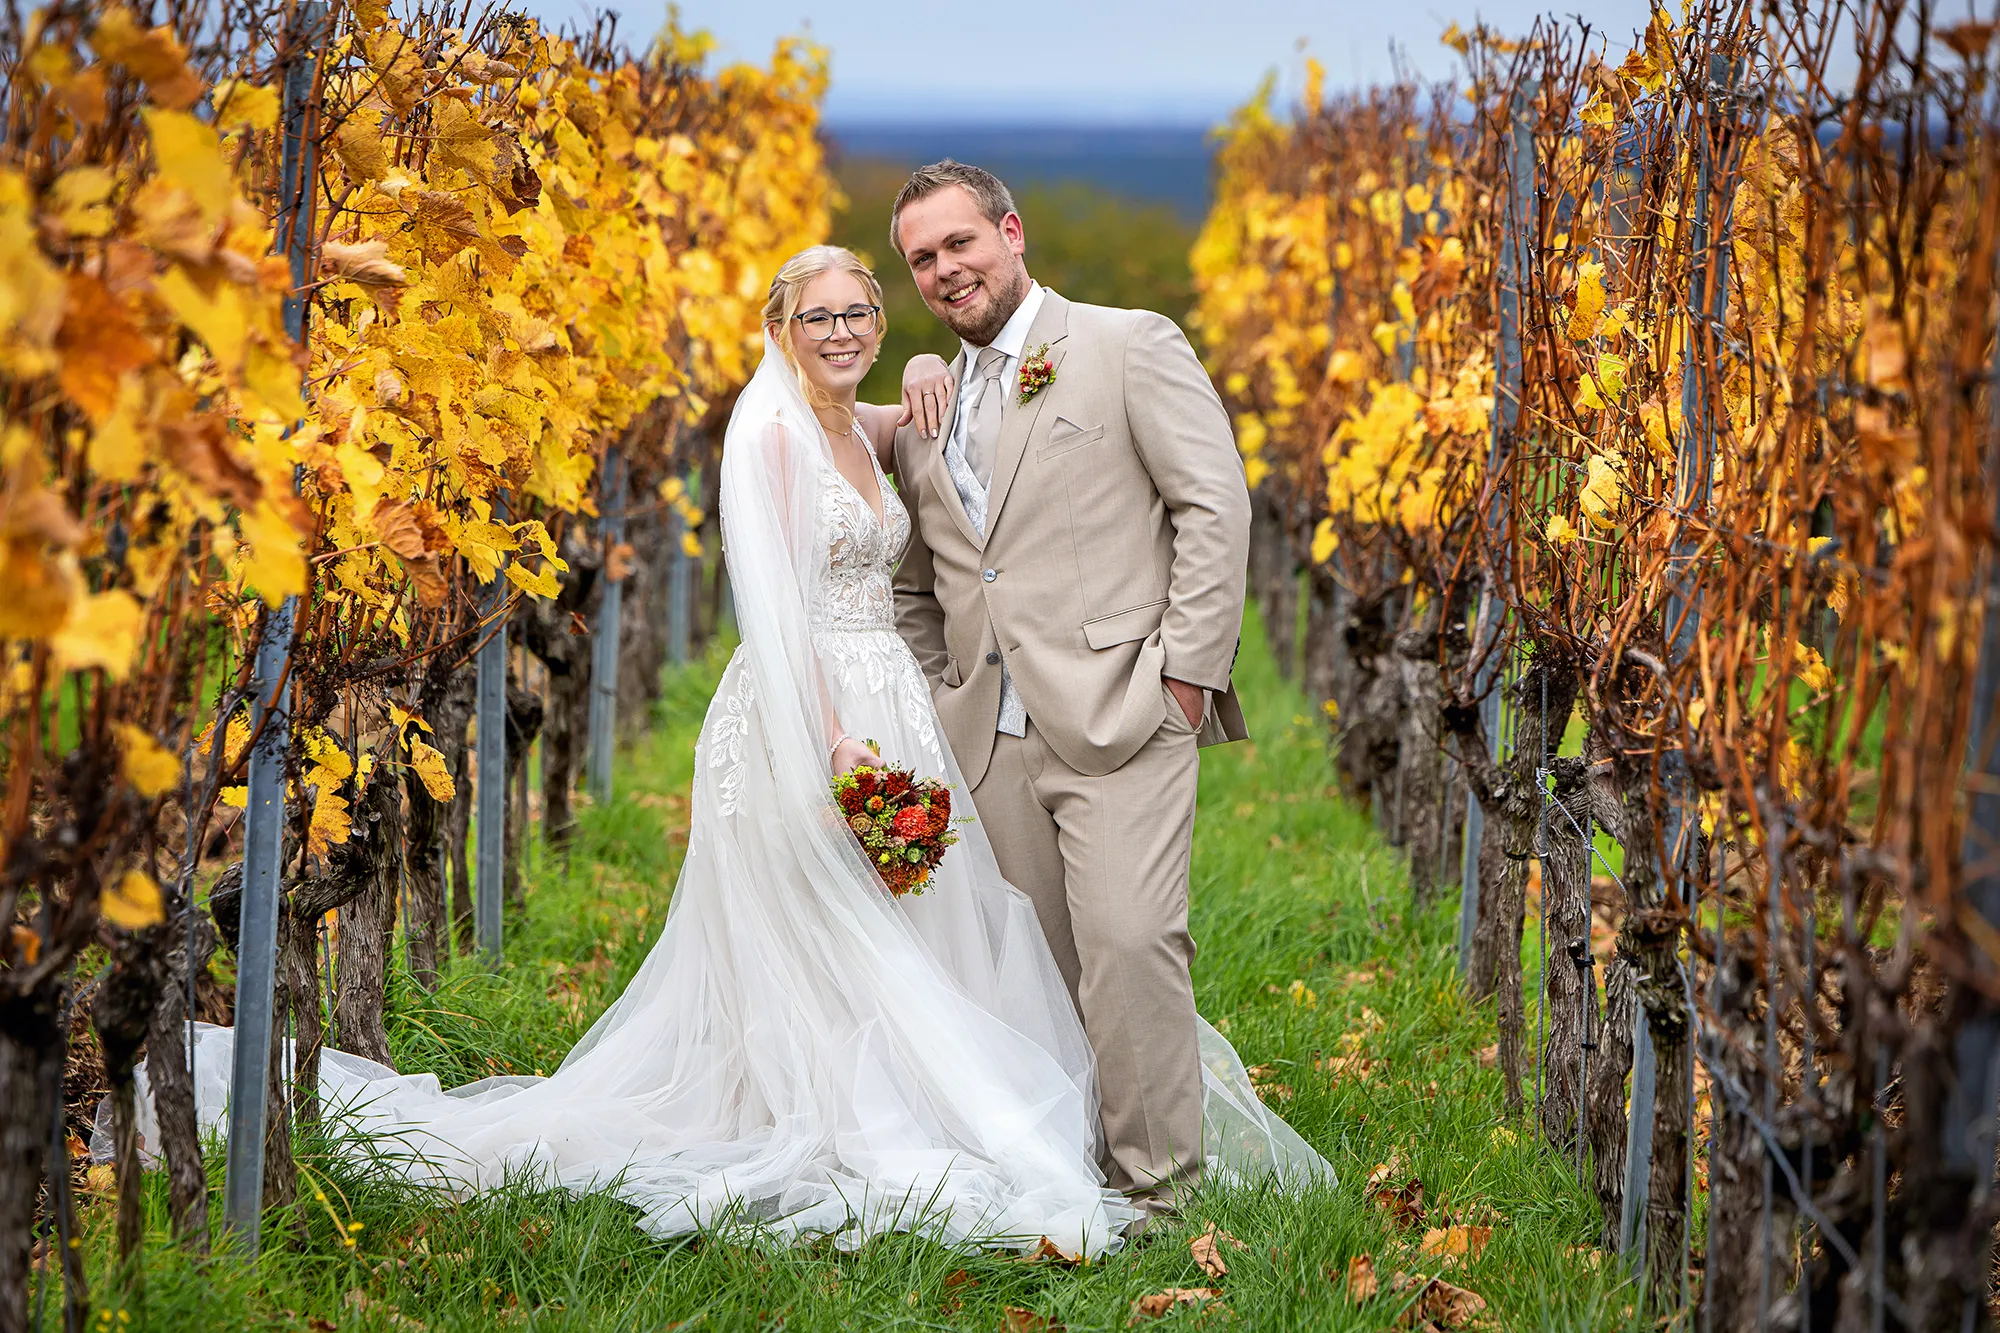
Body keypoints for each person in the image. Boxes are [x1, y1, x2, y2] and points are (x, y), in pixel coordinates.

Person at [115, 245, 1323, 1259]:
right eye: (824, 313)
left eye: (865, 307)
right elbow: (775, 607)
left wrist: (915, 381)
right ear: (779, 325)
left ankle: (990, 1116)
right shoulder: (768, 434)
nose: (848, 326)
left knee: (928, 932)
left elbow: (950, 453)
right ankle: (863, 1120)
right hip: (814, 716)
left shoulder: (868, 415)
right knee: (831, 935)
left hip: (903, 702)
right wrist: (834, 747)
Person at [886, 161, 1271, 1222]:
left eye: (959, 243)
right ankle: (1068, 1171)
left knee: (1131, 944)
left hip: (1121, 707)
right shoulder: (929, 402)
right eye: (921, 258)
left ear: (1010, 232)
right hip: (989, 737)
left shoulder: (1124, 343)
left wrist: (1184, 680)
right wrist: (938, 686)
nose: (943, 269)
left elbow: (1211, 505)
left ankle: (1162, 1191)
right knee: (1035, 974)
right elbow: (918, 575)